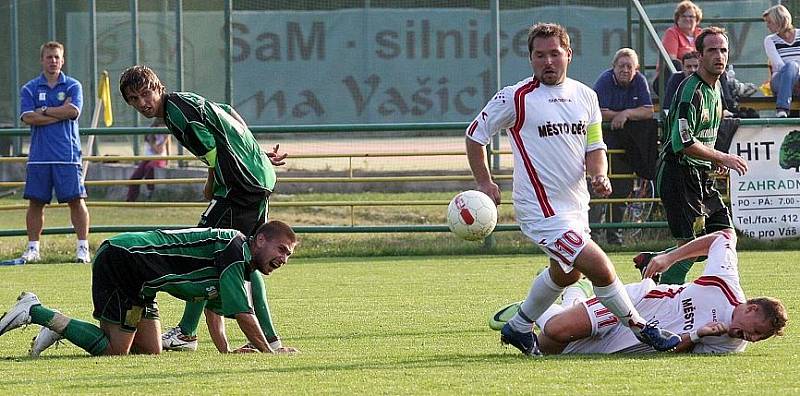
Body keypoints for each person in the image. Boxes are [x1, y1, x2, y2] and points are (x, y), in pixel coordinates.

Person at [464, 22, 680, 357]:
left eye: (554, 54)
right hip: (540, 210)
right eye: (540, 55)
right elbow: (474, 134)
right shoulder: (516, 97)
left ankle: (519, 326)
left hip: (575, 206)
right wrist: (484, 181)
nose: (547, 61)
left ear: (569, 54)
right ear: (531, 58)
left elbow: (595, 147)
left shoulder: (586, 96)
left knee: (567, 274)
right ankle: (641, 328)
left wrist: (599, 175)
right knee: (599, 266)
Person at [119, 65, 288, 353]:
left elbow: (212, 152)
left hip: (240, 186)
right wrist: (254, 152)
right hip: (254, 179)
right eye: (134, 99)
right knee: (246, 257)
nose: (143, 103)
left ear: (158, 87)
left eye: (146, 93)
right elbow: (227, 111)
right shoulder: (183, 100)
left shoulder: (176, 114)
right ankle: (267, 339)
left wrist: (212, 185)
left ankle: (187, 334)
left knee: (201, 250)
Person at [0, 222, 298, 356]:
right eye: (281, 250)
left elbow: (212, 308)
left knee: (151, 350)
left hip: (144, 281)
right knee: (116, 351)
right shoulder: (235, 253)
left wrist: (227, 351)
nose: (283, 259)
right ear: (260, 240)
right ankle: (36, 311)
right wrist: (269, 353)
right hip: (124, 260)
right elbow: (244, 314)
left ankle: (67, 328)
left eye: (288, 255)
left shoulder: (236, 256)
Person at [499, 229, 788, 355]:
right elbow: (723, 237)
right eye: (756, 330)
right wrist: (669, 257)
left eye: (758, 338)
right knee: (557, 328)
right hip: (636, 304)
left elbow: (674, 350)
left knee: (543, 348)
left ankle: (572, 291)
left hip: (637, 340)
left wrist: (699, 334)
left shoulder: (730, 344)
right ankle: (528, 309)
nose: (751, 338)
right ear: (750, 308)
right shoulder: (725, 284)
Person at [646, 27, 749, 286]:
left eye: (723, 50)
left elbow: (702, 137)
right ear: (700, 56)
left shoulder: (716, 91)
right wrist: (721, 157)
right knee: (690, 248)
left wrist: (713, 160)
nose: (719, 55)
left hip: (700, 174)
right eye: (712, 50)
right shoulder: (691, 91)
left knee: (724, 235)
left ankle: (658, 262)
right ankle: (660, 295)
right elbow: (683, 142)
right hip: (678, 172)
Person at [18, 41, 91, 264]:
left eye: (57, 57)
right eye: (49, 57)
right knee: (35, 203)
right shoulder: (30, 88)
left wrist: (45, 111)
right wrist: (58, 113)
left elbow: (73, 111)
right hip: (39, 157)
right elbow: (28, 117)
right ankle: (33, 249)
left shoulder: (72, 86)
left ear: (63, 60)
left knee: (76, 201)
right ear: (42, 60)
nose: (53, 61)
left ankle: (82, 248)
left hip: (67, 156)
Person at [590, 48, 654, 246]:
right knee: (598, 188)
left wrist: (625, 114)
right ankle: (591, 235)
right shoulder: (604, 81)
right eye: (621, 66)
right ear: (613, 67)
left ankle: (613, 236)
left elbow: (649, 111)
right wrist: (617, 116)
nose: (625, 70)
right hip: (604, 141)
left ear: (636, 69)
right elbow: (596, 112)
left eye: (629, 66)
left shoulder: (640, 81)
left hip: (628, 142)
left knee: (622, 188)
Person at [654, 1, 703, 94]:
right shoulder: (672, 33)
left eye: (691, 16)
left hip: (696, 77)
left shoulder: (701, 34)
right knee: (676, 63)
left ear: (697, 19)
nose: (687, 19)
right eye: (684, 16)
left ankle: (728, 104)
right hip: (667, 80)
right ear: (678, 19)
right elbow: (672, 60)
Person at [763, 4, 800, 118]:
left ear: (779, 20)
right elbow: (778, 65)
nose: (767, 26)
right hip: (780, 80)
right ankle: (782, 108)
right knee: (791, 66)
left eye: (770, 22)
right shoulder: (770, 40)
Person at [126, 118, 170, 202]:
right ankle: (130, 199)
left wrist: (168, 160)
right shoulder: (151, 135)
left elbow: (165, 149)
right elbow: (157, 150)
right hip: (149, 157)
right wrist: (165, 139)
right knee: (135, 177)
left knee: (149, 168)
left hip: (160, 158)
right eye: (162, 126)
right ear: (158, 126)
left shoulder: (166, 134)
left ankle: (150, 191)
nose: (164, 128)